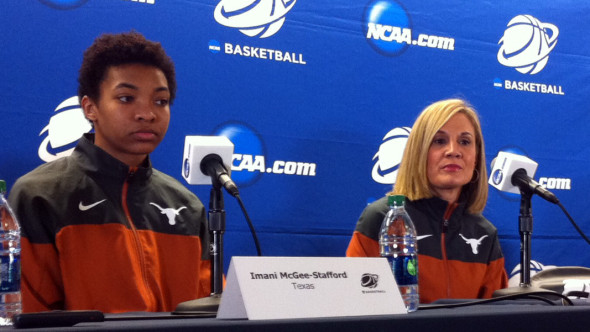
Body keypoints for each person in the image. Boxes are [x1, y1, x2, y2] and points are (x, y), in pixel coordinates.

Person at [8, 31, 212, 313]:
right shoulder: (39, 195)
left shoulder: (187, 205)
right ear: (90, 108)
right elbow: (28, 313)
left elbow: (207, 310)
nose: (147, 114)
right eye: (127, 98)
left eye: (161, 101)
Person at [346, 98, 508, 303]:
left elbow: (496, 317)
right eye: (439, 141)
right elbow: (356, 308)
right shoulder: (381, 218)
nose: (453, 151)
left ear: (476, 156)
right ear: (418, 152)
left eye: (465, 141)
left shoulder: (485, 234)